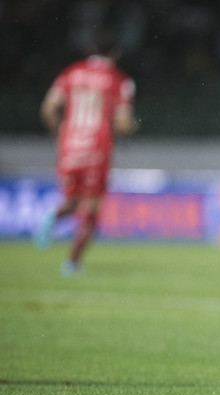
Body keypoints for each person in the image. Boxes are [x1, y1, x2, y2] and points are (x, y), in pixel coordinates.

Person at [33, 33, 137, 276]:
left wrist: (59, 135)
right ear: (115, 53)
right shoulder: (118, 80)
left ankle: (53, 214)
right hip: (97, 149)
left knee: (71, 201)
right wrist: (131, 127)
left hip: (69, 147)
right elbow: (122, 122)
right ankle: (72, 264)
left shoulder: (71, 72)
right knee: (90, 210)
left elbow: (48, 109)